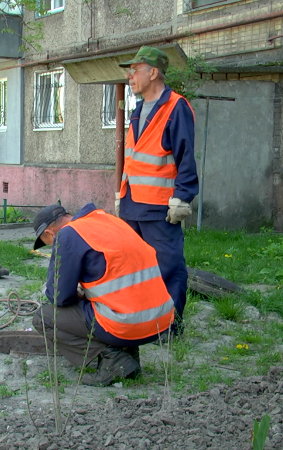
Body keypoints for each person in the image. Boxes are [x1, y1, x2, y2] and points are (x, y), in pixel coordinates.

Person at [31, 203, 175, 386]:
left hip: (127, 324)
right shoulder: (109, 221)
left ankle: (113, 358)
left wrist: (76, 294)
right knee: (103, 305)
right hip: (160, 320)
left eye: (48, 244)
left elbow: (59, 296)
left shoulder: (67, 235)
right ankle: (128, 353)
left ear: (50, 233)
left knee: (43, 318)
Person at [115, 46, 198, 335]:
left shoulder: (176, 107)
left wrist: (183, 197)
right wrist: (121, 194)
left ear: (153, 72)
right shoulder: (139, 110)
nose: (130, 76)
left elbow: (185, 156)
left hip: (160, 207)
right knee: (134, 267)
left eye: (134, 70)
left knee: (168, 266)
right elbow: (134, 156)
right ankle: (142, 323)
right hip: (132, 204)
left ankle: (170, 326)